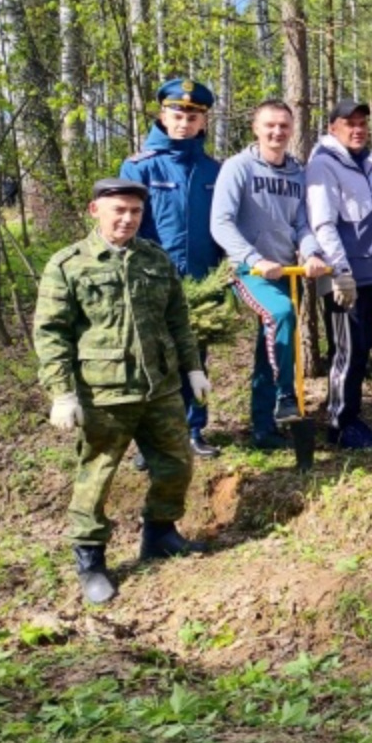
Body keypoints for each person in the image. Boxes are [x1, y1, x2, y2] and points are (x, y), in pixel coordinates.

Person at [35, 179, 211, 604]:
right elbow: (51, 333)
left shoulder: (154, 259)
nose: (127, 219)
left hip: (160, 388)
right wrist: (62, 393)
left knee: (175, 464)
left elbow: (178, 320)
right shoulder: (68, 265)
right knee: (97, 476)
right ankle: (90, 560)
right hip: (104, 393)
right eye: (118, 210)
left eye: (134, 211)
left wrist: (193, 369)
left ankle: (160, 535)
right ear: (95, 211)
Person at [211, 100, 334, 450]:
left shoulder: (297, 171)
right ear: (256, 128)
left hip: (284, 271)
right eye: (270, 125)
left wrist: (311, 251)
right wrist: (252, 257)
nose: (277, 132)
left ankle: (264, 429)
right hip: (247, 271)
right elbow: (220, 222)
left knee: (271, 347)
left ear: (292, 129)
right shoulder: (238, 168)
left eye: (283, 126)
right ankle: (285, 396)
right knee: (281, 315)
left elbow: (300, 223)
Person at [119, 78, 222, 459]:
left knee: (196, 358)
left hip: (201, 281)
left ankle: (193, 429)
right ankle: (151, 441)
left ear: (203, 121)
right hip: (153, 284)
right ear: (163, 114)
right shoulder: (139, 167)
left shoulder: (214, 170)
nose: (184, 120)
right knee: (152, 361)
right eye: (177, 112)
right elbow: (126, 227)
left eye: (193, 114)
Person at [306, 99, 372, 450]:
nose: (357, 130)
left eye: (362, 123)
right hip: (345, 279)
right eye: (349, 124)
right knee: (346, 349)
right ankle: (340, 423)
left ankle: (352, 416)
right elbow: (323, 223)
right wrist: (340, 271)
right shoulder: (324, 166)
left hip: (369, 275)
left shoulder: (368, 166)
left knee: (360, 348)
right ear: (333, 128)